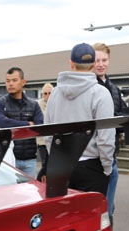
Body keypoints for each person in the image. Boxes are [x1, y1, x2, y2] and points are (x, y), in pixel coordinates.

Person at [45, 43, 116, 196]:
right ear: (93, 63)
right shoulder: (100, 93)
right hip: (91, 165)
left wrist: (55, 159)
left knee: (63, 210)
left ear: (71, 63)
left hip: (61, 164)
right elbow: (106, 137)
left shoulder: (55, 93)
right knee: (92, 211)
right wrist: (107, 167)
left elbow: (48, 132)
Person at [93, 43, 128, 231]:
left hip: (111, 154)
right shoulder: (90, 87)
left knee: (109, 205)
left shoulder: (114, 89)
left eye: (104, 60)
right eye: (96, 60)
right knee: (96, 206)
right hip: (93, 155)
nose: (100, 64)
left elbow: (121, 115)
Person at [0, 67, 43, 177]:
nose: (10, 84)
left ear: (23, 82)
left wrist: (11, 122)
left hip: (30, 159)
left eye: (14, 80)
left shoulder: (33, 105)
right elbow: (1, 123)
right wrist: (27, 124)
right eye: (8, 81)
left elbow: (39, 126)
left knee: (29, 188)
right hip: (7, 157)